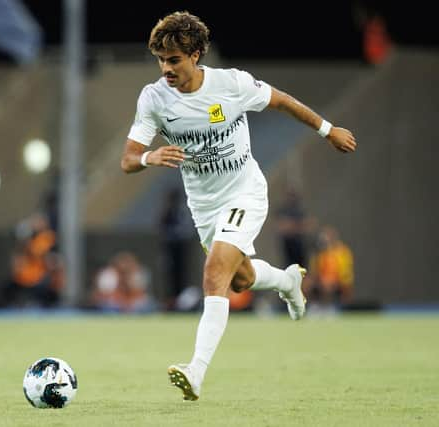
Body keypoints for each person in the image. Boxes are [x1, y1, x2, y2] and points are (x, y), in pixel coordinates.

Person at [120, 11, 357, 401]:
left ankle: (195, 371)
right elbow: (128, 159)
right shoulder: (154, 98)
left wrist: (328, 130)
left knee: (214, 271)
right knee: (240, 279)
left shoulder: (231, 84)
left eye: (174, 59)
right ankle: (286, 281)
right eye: (161, 60)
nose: (166, 68)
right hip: (204, 207)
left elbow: (282, 101)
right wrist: (150, 157)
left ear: (196, 55)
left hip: (243, 192)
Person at [303, 225, 354, 313]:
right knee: (306, 284)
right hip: (321, 280)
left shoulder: (342, 252)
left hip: (338, 282)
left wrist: (339, 281)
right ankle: (314, 307)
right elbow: (313, 271)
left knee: (327, 284)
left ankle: (328, 308)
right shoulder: (319, 254)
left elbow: (346, 272)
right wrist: (311, 280)